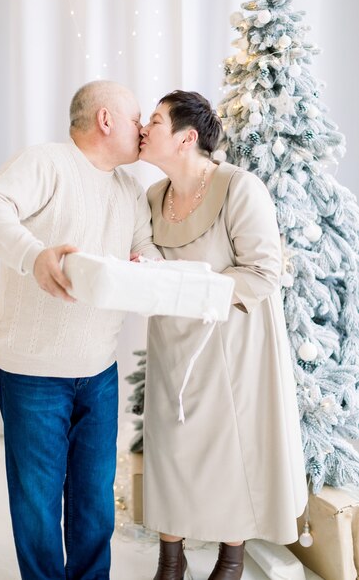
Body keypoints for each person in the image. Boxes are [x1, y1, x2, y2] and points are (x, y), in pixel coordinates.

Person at [0, 80, 161, 580]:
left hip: (99, 369)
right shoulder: (46, 162)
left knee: (95, 502)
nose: (143, 128)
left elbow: (148, 248)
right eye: (136, 117)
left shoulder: (130, 190)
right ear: (105, 119)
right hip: (32, 372)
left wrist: (146, 263)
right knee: (37, 502)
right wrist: (34, 255)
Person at [139, 90, 308, 580]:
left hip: (233, 344)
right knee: (170, 445)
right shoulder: (152, 198)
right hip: (173, 343)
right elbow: (148, 267)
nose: (143, 128)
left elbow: (262, 272)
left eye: (154, 120)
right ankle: (171, 559)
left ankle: (230, 559)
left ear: (187, 137)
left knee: (229, 446)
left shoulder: (239, 187)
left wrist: (192, 287)